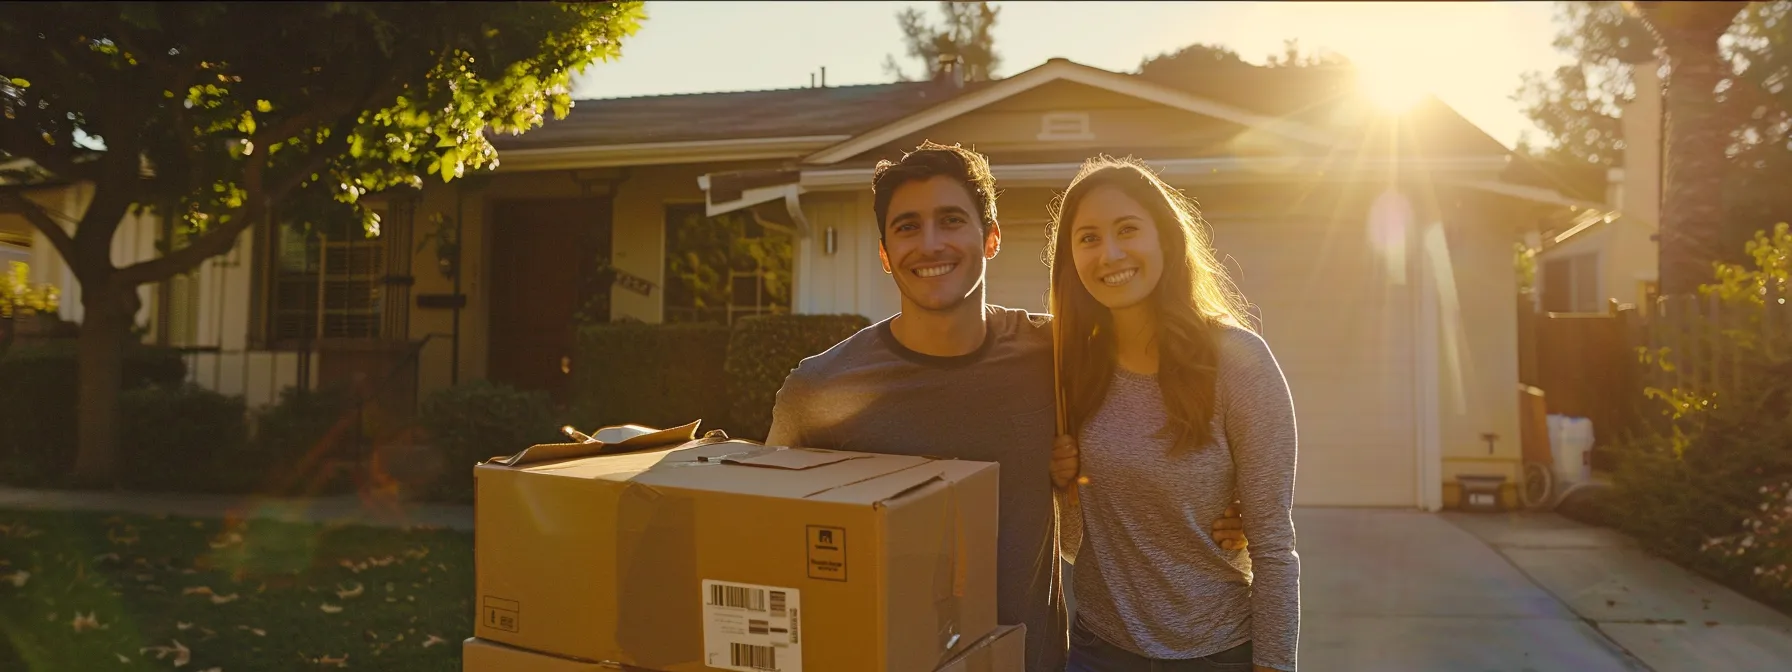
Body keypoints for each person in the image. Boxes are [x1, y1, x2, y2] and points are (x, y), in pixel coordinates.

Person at [766, 141, 1247, 672]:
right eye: (907, 227)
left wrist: (1225, 506)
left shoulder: (1058, 354)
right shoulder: (821, 389)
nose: (930, 244)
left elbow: (1150, 421)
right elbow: (762, 538)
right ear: (884, 253)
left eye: (951, 220)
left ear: (991, 237)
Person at [1047, 157, 1300, 672]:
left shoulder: (1237, 361)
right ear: (1070, 258)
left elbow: (1273, 544)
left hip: (1216, 653)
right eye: (1089, 238)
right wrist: (1060, 485)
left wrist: (1274, 666)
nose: (1110, 253)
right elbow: (1075, 546)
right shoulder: (1068, 369)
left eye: (1127, 229)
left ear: (1165, 238)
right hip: (1100, 650)